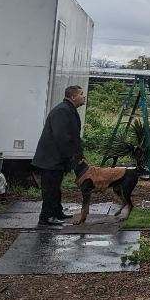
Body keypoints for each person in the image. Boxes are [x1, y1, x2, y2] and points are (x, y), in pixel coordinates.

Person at [31, 85, 86, 226]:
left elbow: (72, 136)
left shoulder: (68, 109)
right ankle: (46, 217)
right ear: (73, 97)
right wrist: (71, 155)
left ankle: (57, 211)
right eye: (81, 94)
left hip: (57, 159)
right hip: (50, 159)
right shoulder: (62, 110)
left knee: (56, 187)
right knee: (50, 189)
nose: (84, 96)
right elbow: (61, 136)